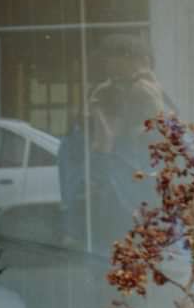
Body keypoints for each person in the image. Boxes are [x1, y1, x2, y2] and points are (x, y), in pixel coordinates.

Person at [59, 33, 172, 249]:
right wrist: (101, 144)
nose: (124, 95)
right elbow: (76, 220)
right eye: (114, 83)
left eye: (131, 83)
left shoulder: (164, 134)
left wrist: (159, 115)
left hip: (163, 259)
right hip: (108, 259)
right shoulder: (78, 144)